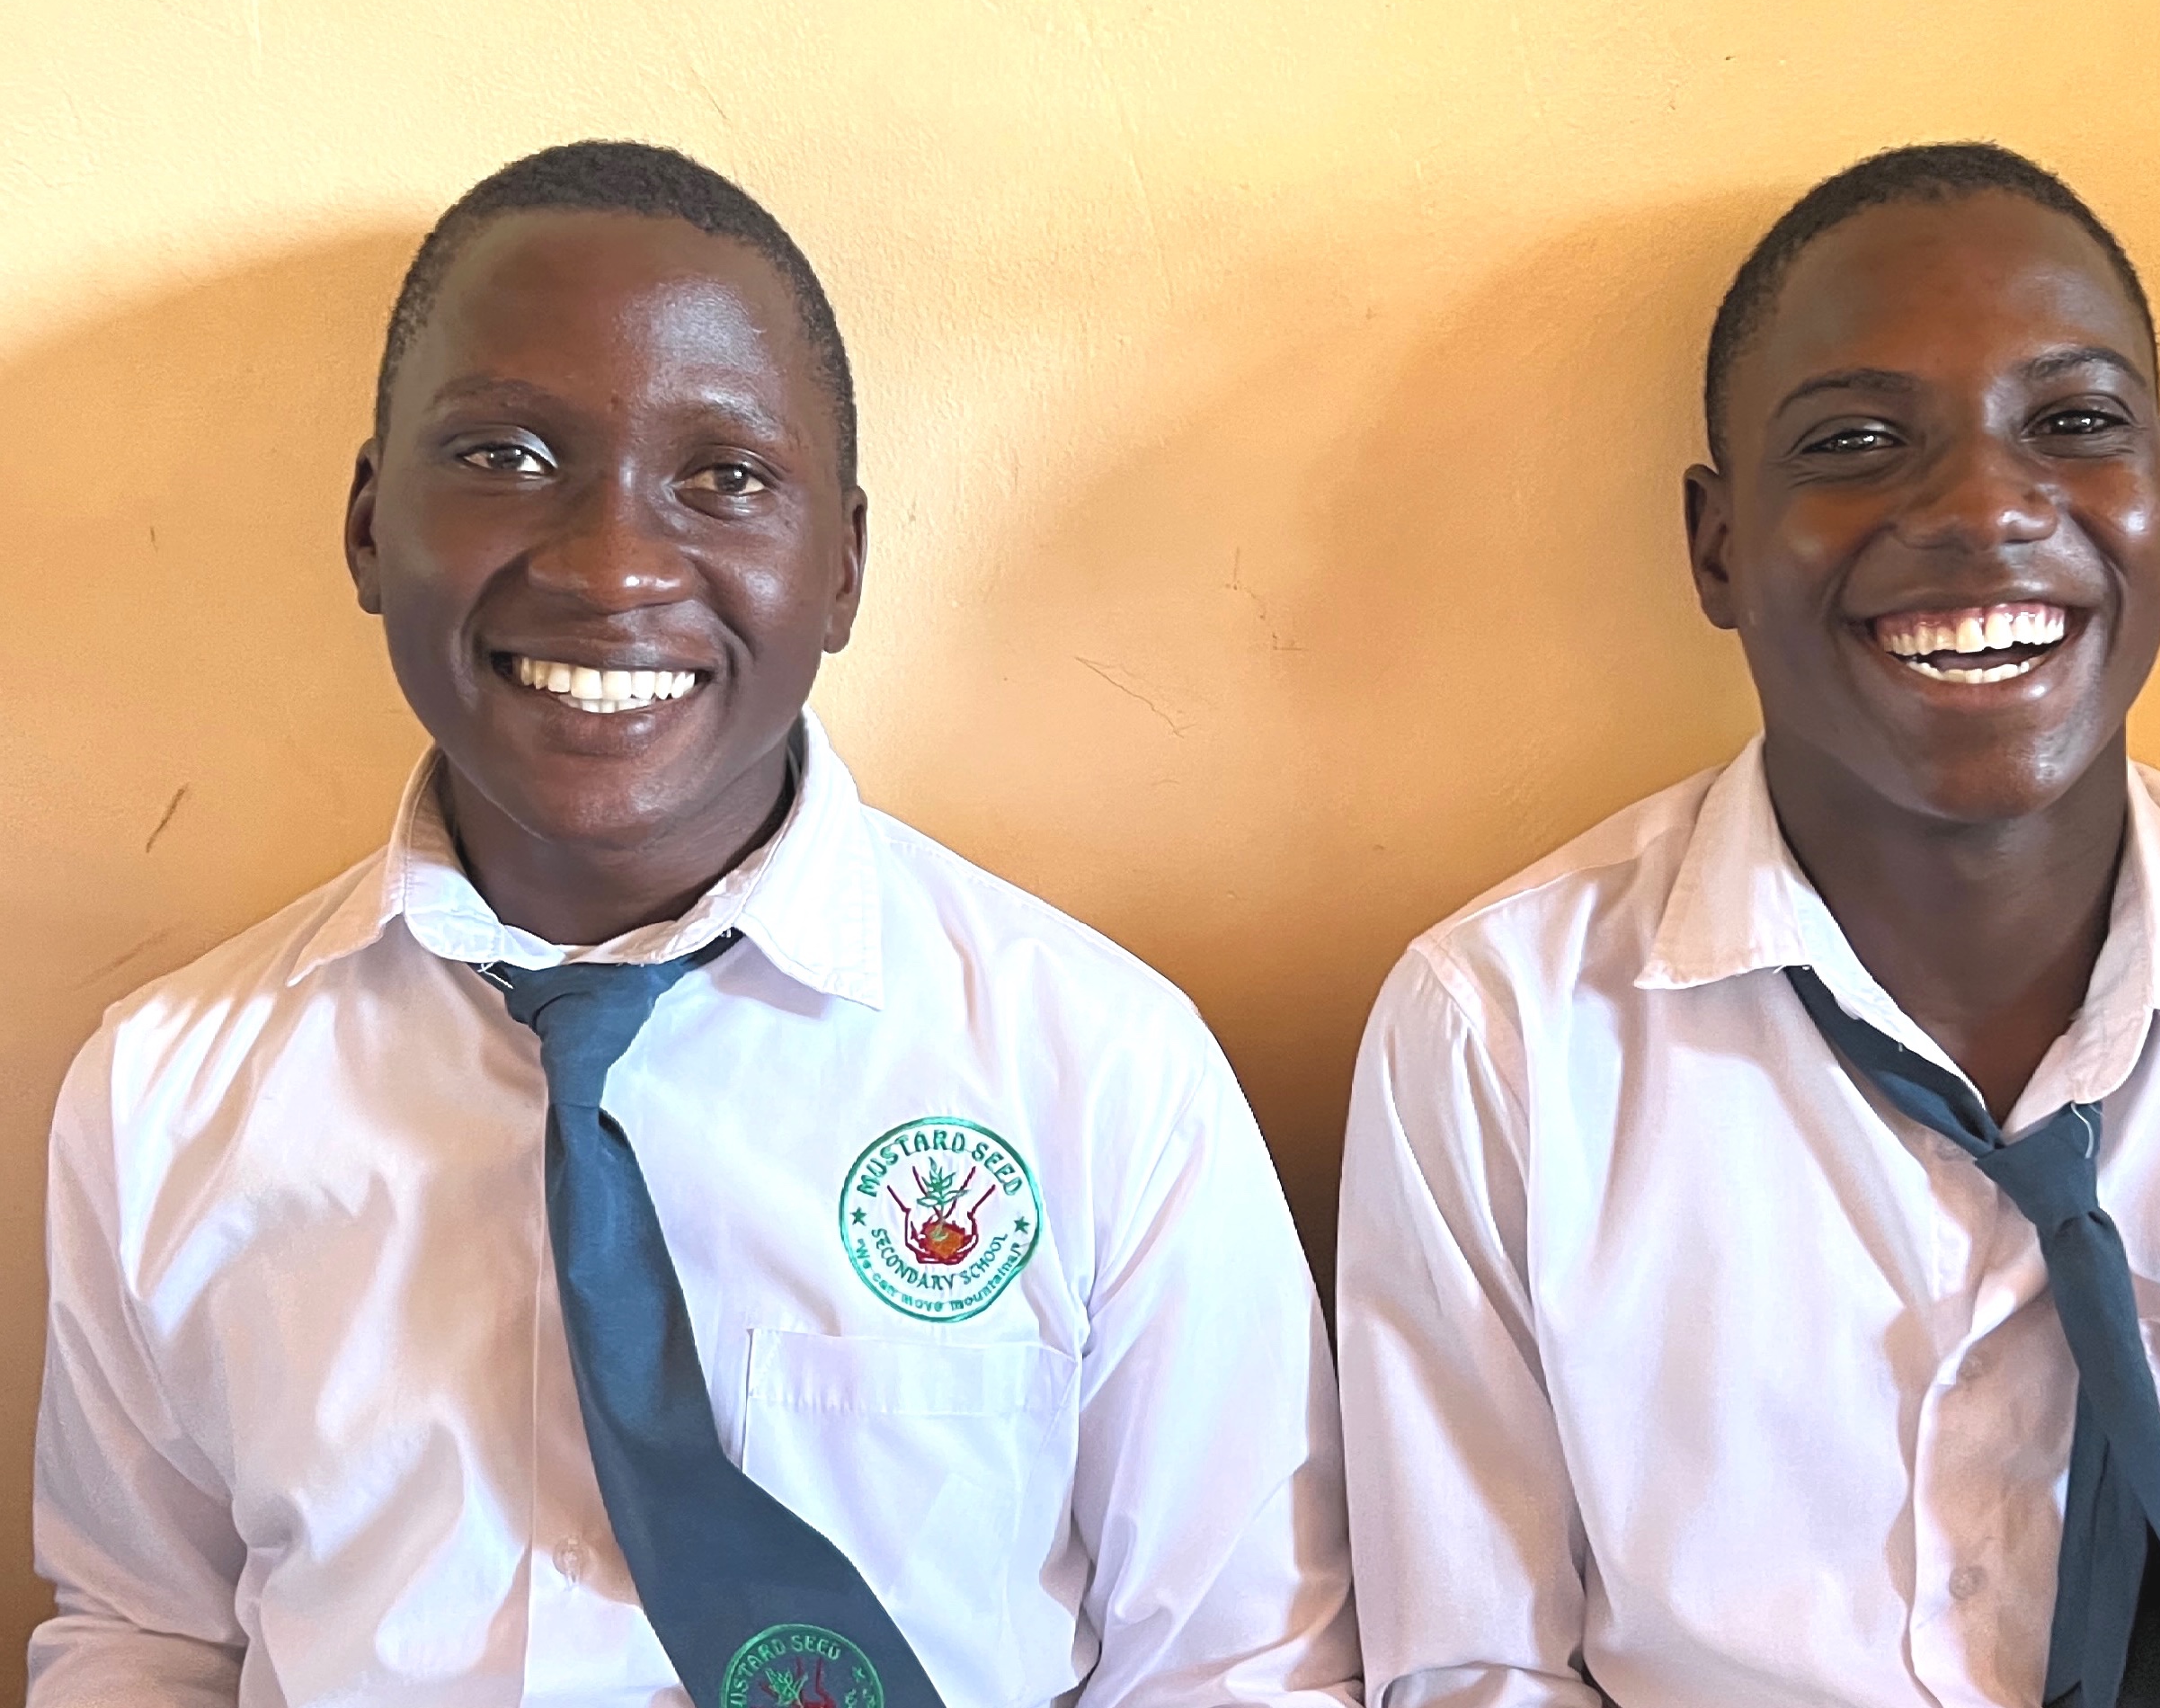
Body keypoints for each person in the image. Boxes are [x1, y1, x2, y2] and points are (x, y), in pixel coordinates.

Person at [31, 140, 1360, 1708]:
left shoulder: (1097, 1067)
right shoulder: (165, 1094)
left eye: (724, 477)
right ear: (370, 527)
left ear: (842, 566)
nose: (611, 569)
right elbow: (146, 1628)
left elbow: (1238, 1662)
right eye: (507, 454)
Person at [1337, 142, 2160, 1707]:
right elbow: (1471, 1666)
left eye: (2073, 422)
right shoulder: (1498, 1035)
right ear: (1714, 544)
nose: (1982, 508)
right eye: (1853, 440)